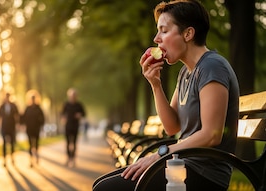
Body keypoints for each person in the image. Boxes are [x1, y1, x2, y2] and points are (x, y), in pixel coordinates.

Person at [92, 1, 239, 191]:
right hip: (183, 165)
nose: (156, 38)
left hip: (204, 175)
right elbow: (172, 127)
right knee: (101, 184)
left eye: (164, 30)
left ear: (188, 34)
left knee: (106, 189)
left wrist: (161, 153)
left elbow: (212, 135)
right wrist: (155, 84)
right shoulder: (186, 73)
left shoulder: (212, 67)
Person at [61, 88, 86, 167]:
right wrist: (63, 118)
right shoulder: (66, 104)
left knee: (74, 143)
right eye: (72, 95)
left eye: (74, 95)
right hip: (68, 126)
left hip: (75, 126)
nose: (73, 97)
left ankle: (73, 159)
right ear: (69, 96)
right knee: (68, 143)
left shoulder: (79, 105)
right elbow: (62, 113)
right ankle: (68, 158)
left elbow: (84, 113)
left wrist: (80, 115)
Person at [0, 92, 20, 166]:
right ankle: (4, 160)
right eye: (6, 97)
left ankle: (12, 158)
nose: (7, 98)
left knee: (12, 143)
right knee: (4, 143)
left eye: (8, 97)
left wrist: (18, 124)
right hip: (4, 127)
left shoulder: (13, 106)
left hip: (12, 126)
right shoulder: (2, 106)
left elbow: (17, 115)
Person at [22, 94, 45, 167]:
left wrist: (41, 124)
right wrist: (21, 124)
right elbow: (23, 118)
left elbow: (42, 118)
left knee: (36, 143)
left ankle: (37, 156)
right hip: (29, 129)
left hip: (36, 128)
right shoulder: (27, 108)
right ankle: (31, 160)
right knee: (30, 144)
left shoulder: (38, 108)